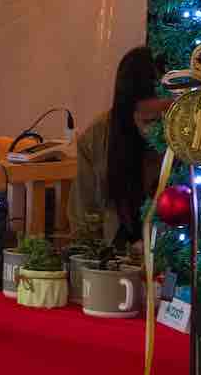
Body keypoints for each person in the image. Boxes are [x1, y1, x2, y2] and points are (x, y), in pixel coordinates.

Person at [72, 47, 169, 244]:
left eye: (168, 119)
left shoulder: (195, 139)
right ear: (128, 115)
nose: (162, 132)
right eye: (150, 122)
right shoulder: (96, 139)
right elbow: (83, 223)